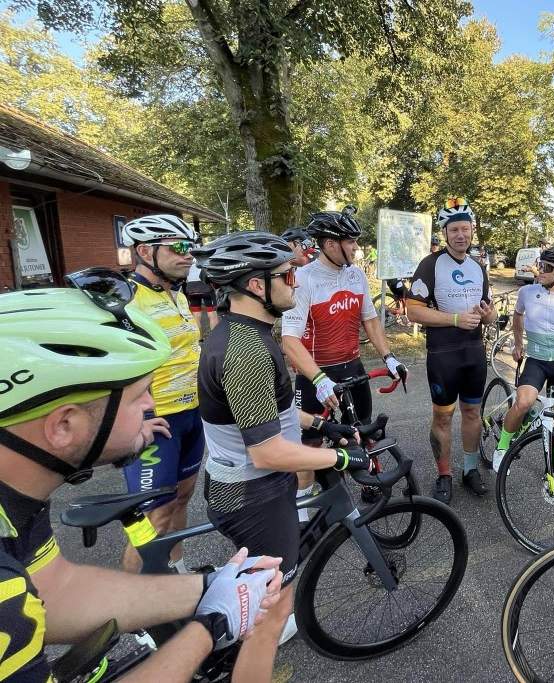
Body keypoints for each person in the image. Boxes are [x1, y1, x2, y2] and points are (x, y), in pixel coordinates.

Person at [0, 283, 283, 681]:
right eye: (138, 396)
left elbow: (56, 590)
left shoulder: (15, 499)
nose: (152, 404)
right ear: (63, 425)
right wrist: (212, 627)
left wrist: (206, 588)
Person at [191, 232, 374, 677]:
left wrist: (322, 426)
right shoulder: (245, 351)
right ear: (257, 286)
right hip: (253, 494)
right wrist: (341, 459)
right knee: (272, 616)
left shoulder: (248, 334)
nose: (295, 282)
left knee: (260, 589)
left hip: (249, 488)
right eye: (286, 275)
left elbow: (270, 414)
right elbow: (269, 452)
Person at [281, 209, 406, 521]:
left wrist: (388, 356)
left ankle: (366, 481)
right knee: (308, 444)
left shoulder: (357, 274)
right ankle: (303, 509)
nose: (355, 247)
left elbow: (371, 319)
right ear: (329, 244)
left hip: (352, 365)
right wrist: (318, 378)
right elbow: (290, 340)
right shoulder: (304, 279)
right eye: (349, 241)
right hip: (316, 372)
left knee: (364, 427)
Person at [117, 215, 205, 576]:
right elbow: (114, 366)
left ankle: (176, 572)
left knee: (181, 500)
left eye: (191, 248)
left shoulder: (177, 294)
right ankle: (130, 611)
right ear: (144, 251)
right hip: (155, 422)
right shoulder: (125, 300)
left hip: (191, 416)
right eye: (180, 247)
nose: (189, 256)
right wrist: (133, 418)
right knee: (153, 517)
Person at [406, 198, 496, 502]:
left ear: (472, 231)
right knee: (443, 418)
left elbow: (491, 313)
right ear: (446, 233)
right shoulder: (430, 265)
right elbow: (413, 311)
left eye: (465, 229)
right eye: (454, 229)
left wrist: (488, 314)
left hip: (473, 352)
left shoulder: (478, 266)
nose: (461, 235)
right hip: (443, 355)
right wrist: (455, 319)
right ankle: (444, 473)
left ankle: (470, 470)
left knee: (472, 412)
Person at [491, 248, 554, 472]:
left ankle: (553, 469)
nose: (540, 271)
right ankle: (503, 447)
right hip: (535, 359)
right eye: (540, 265)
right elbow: (517, 316)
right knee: (524, 402)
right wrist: (517, 344)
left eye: (547, 268)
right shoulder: (527, 292)